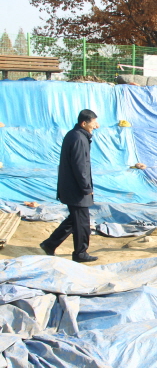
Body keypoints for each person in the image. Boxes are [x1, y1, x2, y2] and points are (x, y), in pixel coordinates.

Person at [39, 109, 100, 262]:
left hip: (71, 186)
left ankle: (50, 244)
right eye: (93, 123)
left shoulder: (76, 135)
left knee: (74, 220)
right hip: (76, 189)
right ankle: (80, 253)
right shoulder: (79, 138)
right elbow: (80, 166)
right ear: (84, 123)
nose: (96, 126)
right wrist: (86, 188)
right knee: (82, 223)